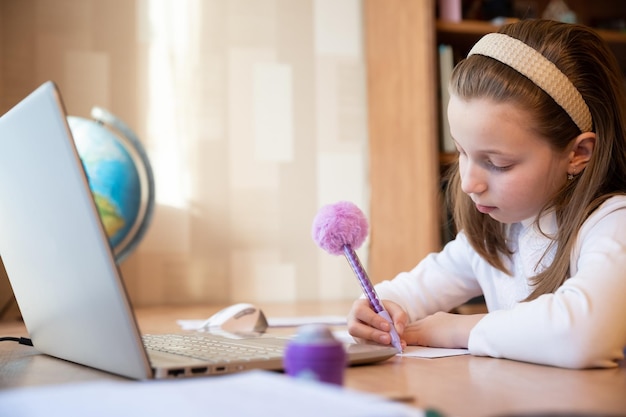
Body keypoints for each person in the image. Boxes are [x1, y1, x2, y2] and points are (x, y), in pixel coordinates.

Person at [347, 19, 626, 369]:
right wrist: (374, 309)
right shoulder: (497, 229)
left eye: (497, 163)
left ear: (578, 154)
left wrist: (458, 329)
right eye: (462, 152)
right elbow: (413, 290)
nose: (468, 183)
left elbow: (585, 336)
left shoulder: (613, 223)